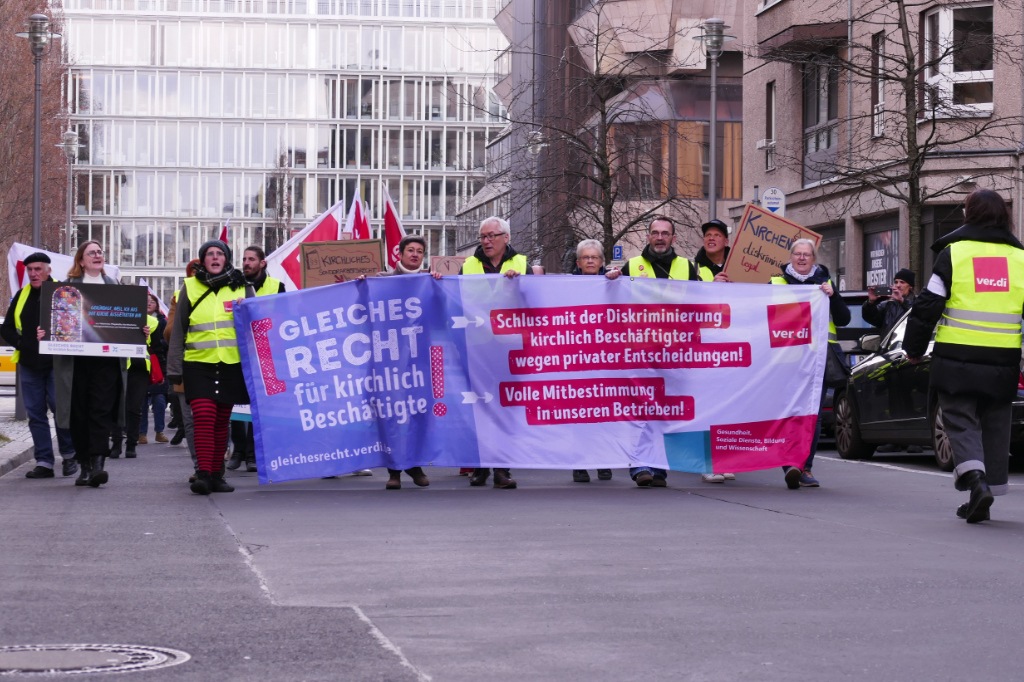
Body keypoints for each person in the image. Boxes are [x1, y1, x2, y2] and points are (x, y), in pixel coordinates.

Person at [904, 189, 1024, 523]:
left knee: (959, 420)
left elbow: (928, 305)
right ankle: (986, 490)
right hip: (1003, 359)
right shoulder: (1021, 260)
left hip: (956, 355)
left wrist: (913, 348)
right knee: (995, 423)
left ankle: (976, 480)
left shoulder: (954, 254)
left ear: (969, 213)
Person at [166, 240, 253, 495]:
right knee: (203, 416)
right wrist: (174, 368)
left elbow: (255, 327)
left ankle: (217, 475)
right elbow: (179, 330)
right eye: (209, 254)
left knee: (221, 422)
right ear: (202, 260)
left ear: (226, 259)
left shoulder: (243, 287)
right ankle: (203, 474)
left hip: (230, 365)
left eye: (220, 254)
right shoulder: (190, 287)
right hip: (198, 365)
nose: (215, 257)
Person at [619, 216, 699, 487]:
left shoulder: (687, 267)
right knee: (640, 410)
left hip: (674, 353)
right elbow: (614, 301)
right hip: (641, 351)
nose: (660, 237)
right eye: (655, 233)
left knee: (665, 412)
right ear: (648, 237)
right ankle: (639, 465)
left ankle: (659, 467)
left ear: (674, 238)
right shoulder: (631, 266)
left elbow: (699, 305)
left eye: (666, 233)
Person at [770, 238, 850, 489]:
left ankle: (804, 466)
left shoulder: (825, 284)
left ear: (814, 259)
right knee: (790, 412)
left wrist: (833, 296)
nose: (802, 258)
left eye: (807, 254)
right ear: (790, 257)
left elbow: (844, 319)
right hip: (788, 359)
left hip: (818, 360)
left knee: (812, 416)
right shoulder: (776, 283)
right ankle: (789, 462)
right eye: (797, 254)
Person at [53, 241, 132, 487]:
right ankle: (84, 465)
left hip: (106, 359)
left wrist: (140, 329)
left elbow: (127, 319)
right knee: (79, 412)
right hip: (75, 361)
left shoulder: (114, 287)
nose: (98, 255)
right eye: (92, 253)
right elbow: (58, 324)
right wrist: (45, 332)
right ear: (81, 260)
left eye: (100, 252)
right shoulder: (68, 288)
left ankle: (98, 463)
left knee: (100, 409)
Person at [459, 216, 527, 489]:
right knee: (480, 407)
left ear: (506, 238)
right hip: (478, 346)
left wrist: (520, 283)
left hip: (509, 347)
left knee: (505, 408)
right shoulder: (469, 265)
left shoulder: (521, 263)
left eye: (491, 236)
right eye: (483, 236)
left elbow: (534, 300)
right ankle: (479, 465)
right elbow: (457, 299)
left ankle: (501, 467)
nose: (486, 241)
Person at [370, 235, 441, 489]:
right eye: (410, 250)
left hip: (419, 358)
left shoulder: (430, 281)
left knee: (418, 410)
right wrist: (360, 286)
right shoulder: (381, 281)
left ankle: (414, 464)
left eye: (419, 251)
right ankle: (394, 472)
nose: (415, 255)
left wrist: (440, 287)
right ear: (398, 254)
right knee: (392, 412)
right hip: (389, 358)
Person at [1, 253, 77, 478]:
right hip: (29, 364)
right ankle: (44, 461)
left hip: (57, 364)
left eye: (37, 269)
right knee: (35, 414)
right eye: (30, 270)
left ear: (48, 271)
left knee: (60, 410)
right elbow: (5, 328)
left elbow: (74, 328)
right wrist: (21, 343)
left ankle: (69, 456)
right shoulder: (21, 296)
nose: (33, 273)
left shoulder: (62, 293)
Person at [226, 246, 286, 473]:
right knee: (236, 403)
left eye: (251, 259)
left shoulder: (277, 287)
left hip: (267, 354)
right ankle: (238, 450)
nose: (246, 263)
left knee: (259, 405)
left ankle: (252, 452)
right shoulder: (232, 287)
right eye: (244, 259)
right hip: (238, 351)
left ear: (263, 263)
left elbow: (282, 318)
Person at [691, 220, 736, 484]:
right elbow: (687, 302)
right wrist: (711, 289)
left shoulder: (740, 267)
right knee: (707, 406)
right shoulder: (693, 267)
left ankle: (726, 460)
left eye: (717, 235)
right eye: (707, 235)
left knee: (729, 406)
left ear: (726, 242)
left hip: (733, 346)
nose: (711, 238)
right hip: (705, 347)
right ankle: (707, 462)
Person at [569, 239, 616, 483]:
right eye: (585, 257)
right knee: (579, 414)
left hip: (604, 359)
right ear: (578, 262)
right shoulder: (565, 286)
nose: (589, 261)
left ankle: (603, 460)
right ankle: (580, 463)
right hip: (576, 359)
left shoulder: (613, 283)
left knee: (603, 412)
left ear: (602, 262)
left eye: (594, 257)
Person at [165, 260, 200, 481]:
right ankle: (200, 467)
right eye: (193, 272)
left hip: (216, 367)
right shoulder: (179, 297)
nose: (196, 275)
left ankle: (215, 466)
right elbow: (169, 335)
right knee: (190, 421)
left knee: (216, 420)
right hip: (187, 367)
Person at [120, 297, 161, 459]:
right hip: (118, 366)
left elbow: (157, 348)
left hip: (139, 368)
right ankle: (116, 444)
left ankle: (131, 445)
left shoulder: (152, 321)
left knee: (135, 407)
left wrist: (162, 372)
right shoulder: (115, 316)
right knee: (117, 406)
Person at [139, 293, 169, 445]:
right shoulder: (136, 319)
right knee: (141, 399)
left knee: (159, 398)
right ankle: (141, 433)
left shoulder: (161, 322)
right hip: (140, 364)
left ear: (157, 305)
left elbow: (165, 342)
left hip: (157, 363)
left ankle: (159, 431)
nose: (149, 304)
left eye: (152, 302)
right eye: (146, 301)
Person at [863, 269, 916, 337]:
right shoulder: (887, 304)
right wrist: (870, 303)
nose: (898, 285)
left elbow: (918, 316)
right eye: (896, 282)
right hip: (889, 346)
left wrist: (903, 301)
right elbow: (871, 318)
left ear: (910, 287)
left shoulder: (917, 302)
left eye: (902, 282)